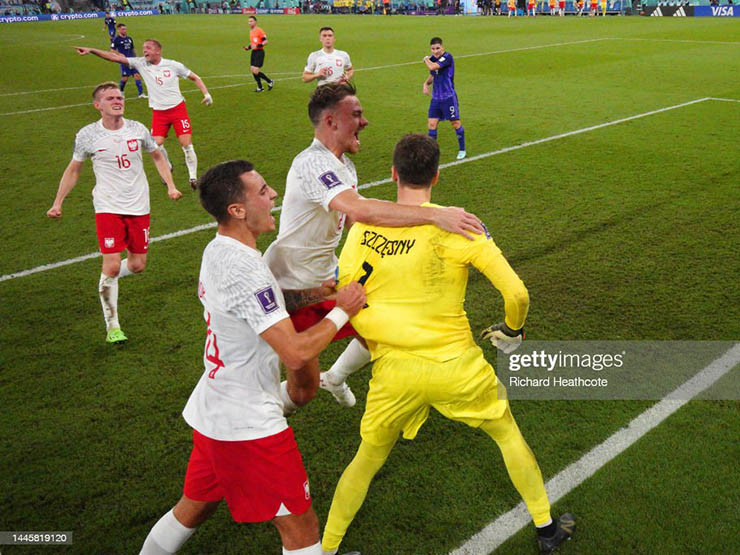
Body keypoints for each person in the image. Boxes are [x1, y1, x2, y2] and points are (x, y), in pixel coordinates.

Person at [320, 134, 576, 555]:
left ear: (393, 174)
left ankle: (327, 549)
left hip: (393, 372)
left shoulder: (363, 225)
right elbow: (517, 293)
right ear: (436, 176)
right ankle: (547, 530)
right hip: (456, 366)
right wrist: (513, 331)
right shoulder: (459, 224)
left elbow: (347, 294)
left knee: (365, 460)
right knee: (506, 433)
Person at [138, 160, 366, 555]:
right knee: (301, 525)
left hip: (215, 407)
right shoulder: (246, 269)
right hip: (246, 425)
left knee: (192, 508)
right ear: (238, 210)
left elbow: (263, 305)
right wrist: (343, 311)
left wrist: (319, 294)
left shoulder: (219, 250)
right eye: (262, 191)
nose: (273, 194)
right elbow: (295, 352)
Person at [263, 82, 483, 410]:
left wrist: (412, 243)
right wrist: (435, 216)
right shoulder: (312, 164)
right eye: (356, 115)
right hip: (292, 289)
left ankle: (335, 377)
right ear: (331, 122)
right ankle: (252, 415)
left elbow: (358, 220)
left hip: (327, 279)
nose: (364, 121)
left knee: (383, 325)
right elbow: (360, 210)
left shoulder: (344, 167)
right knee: (302, 393)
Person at [46, 82, 182, 344]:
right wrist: (58, 202)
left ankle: (106, 280)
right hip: (107, 206)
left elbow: (157, 156)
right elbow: (74, 169)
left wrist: (171, 185)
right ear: (98, 105)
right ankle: (113, 327)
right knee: (111, 265)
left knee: (137, 265)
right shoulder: (88, 135)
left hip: (139, 205)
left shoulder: (137, 129)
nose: (118, 101)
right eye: (110, 98)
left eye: (119, 97)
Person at [74, 40, 213, 191]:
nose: (144, 50)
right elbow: (114, 57)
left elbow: (195, 77)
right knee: (156, 144)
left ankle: (193, 177)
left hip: (178, 110)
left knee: (186, 143)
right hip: (159, 113)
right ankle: (168, 165)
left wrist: (206, 94)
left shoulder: (173, 65)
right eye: (143, 48)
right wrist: (91, 50)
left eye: (148, 48)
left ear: (158, 51)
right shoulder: (140, 63)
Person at [423, 37, 466, 160]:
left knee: (455, 123)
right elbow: (433, 74)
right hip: (436, 99)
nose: (435, 51)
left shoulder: (447, 57)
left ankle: (462, 149)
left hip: (448, 97)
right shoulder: (433, 59)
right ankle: (432, 153)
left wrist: (426, 59)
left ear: (442, 47)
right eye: (433, 49)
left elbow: (433, 67)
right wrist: (426, 84)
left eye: (438, 48)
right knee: (432, 124)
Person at [110, 23, 146, 99]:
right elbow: (112, 50)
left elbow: (133, 48)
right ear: (118, 30)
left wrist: (137, 57)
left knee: (137, 76)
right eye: (123, 29)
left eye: (125, 29)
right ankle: (121, 91)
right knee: (125, 78)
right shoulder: (116, 39)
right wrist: (119, 54)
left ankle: (141, 94)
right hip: (124, 61)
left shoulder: (129, 38)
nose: (125, 30)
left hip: (133, 60)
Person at [243, 15, 274, 93]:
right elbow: (253, 43)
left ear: (255, 22)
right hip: (254, 52)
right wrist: (248, 47)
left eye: (251, 21)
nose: (249, 23)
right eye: (248, 21)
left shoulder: (259, 31)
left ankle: (270, 81)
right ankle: (260, 87)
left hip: (260, 52)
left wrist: (258, 45)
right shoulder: (251, 31)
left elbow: (266, 41)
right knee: (252, 70)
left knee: (256, 71)